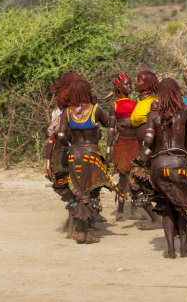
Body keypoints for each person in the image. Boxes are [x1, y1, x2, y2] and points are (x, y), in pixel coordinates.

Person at [142, 78, 187, 259]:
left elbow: (148, 142)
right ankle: (184, 249)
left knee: (167, 207)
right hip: (180, 165)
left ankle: (170, 250)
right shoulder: (185, 111)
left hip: (159, 166)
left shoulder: (153, 116)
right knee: (184, 205)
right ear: (177, 93)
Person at [56, 78, 121, 244]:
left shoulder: (67, 112)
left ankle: (78, 231)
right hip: (91, 153)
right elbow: (107, 124)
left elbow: (61, 135)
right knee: (93, 191)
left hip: (74, 154)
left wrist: (70, 145)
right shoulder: (95, 110)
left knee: (78, 192)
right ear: (87, 92)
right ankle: (90, 233)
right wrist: (113, 116)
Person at [118, 70, 162, 229]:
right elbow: (138, 121)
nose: (135, 83)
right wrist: (127, 125)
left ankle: (158, 219)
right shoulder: (141, 102)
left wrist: (149, 151)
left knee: (135, 183)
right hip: (141, 149)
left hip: (149, 150)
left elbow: (156, 127)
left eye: (138, 81)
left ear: (148, 85)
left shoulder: (153, 103)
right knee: (136, 184)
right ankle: (157, 217)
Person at [44, 72, 81, 237]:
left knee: (64, 185)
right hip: (80, 150)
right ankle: (75, 218)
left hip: (62, 150)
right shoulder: (84, 108)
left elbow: (50, 136)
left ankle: (73, 219)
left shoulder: (59, 112)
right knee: (77, 186)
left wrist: (47, 160)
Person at [105, 72, 140, 221]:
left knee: (137, 176)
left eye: (130, 84)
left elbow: (140, 124)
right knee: (124, 176)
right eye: (126, 84)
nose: (130, 87)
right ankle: (120, 210)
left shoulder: (136, 104)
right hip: (122, 143)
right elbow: (111, 129)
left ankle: (134, 209)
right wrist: (108, 152)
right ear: (119, 87)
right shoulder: (114, 105)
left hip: (135, 142)